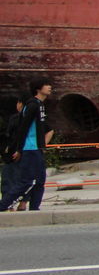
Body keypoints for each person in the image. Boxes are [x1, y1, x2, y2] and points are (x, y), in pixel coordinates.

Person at [1, 80, 54, 212]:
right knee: (26, 181)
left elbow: (46, 129)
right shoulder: (32, 105)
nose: (50, 87)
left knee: (40, 180)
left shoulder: (40, 105)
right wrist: (19, 149)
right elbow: (23, 128)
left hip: (37, 148)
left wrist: (42, 145)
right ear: (38, 89)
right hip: (29, 148)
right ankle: (3, 205)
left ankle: (35, 208)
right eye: (46, 85)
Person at [1, 95, 27, 211]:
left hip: (14, 152)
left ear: (20, 104)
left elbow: (11, 136)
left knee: (11, 178)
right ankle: (20, 203)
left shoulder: (17, 119)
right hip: (16, 151)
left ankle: (12, 204)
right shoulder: (24, 118)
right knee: (18, 178)